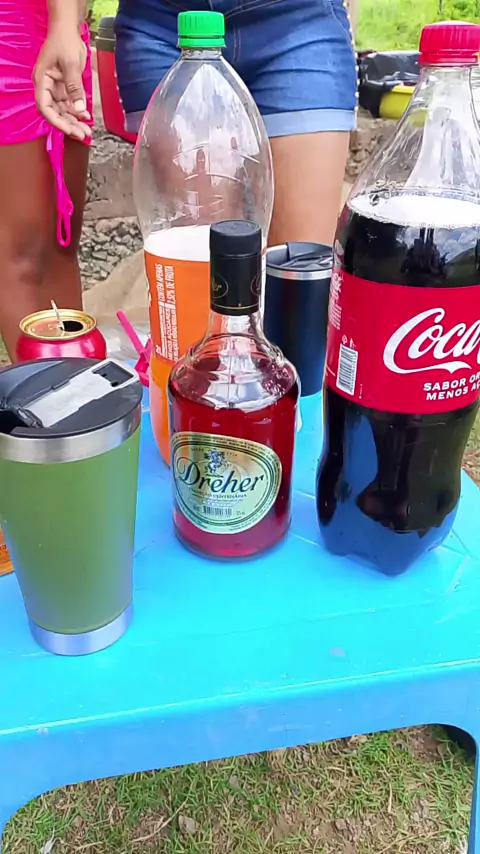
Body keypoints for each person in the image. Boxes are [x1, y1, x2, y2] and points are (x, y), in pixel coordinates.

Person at [36, 0, 357, 251]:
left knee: (301, 275)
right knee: (199, 271)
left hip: (298, 21)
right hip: (164, 24)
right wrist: (64, 23)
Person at [0, 0, 93, 359]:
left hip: (60, 27)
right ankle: (47, 391)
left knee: (61, 245)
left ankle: (79, 387)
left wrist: (66, 24)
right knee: (19, 257)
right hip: (11, 27)